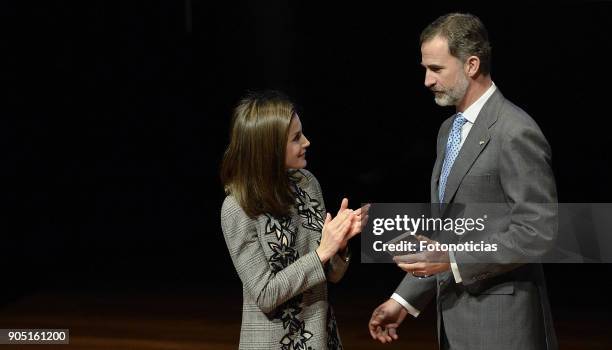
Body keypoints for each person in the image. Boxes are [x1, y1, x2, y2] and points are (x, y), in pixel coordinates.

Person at [368, 13, 558, 350]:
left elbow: (537, 231)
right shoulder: (448, 131)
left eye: (437, 69)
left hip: (502, 325)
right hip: (455, 323)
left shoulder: (515, 130)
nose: (427, 80)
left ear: (471, 65)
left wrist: (455, 258)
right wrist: (404, 299)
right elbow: (449, 236)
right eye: (425, 68)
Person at [221, 90, 367, 349]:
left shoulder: (307, 184)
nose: (307, 142)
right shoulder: (237, 207)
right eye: (296, 138)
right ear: (270, 148)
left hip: (322, 336)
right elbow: (265, 294)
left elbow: (330, 276)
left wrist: (340, 244)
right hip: (275, 342)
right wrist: (322, 252)